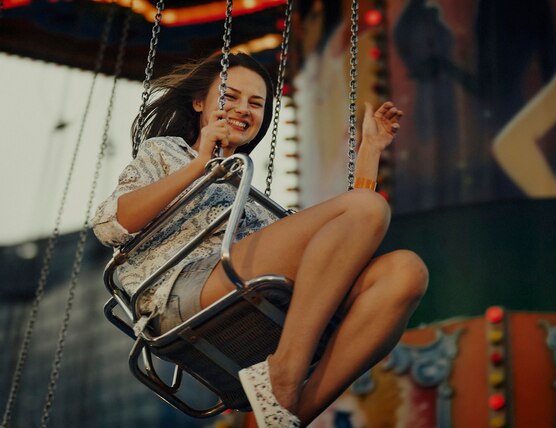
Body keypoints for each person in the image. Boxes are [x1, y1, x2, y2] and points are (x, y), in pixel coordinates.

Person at [92, 52, 428, 427]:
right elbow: (110, 224)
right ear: (199, 101)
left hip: (252, 290)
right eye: (230, 97)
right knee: (365, 208)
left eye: (256, 103)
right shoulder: (166, 152)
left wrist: (370, 152)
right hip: (180, 287)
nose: (243, 109)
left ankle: (290, 414)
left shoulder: (252, 197)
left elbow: (350, 233)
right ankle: (283, 375)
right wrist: (198, 165)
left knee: (405, 271)